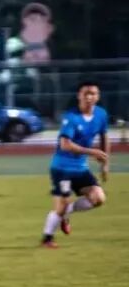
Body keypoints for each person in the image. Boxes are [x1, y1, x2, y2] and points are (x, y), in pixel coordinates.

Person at [41, 81, 110, 248]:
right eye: (86, 93)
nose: (89, 97)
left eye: (93, 93)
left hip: (81, 169)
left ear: (98, 96)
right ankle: (47, 239)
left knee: (98, 198)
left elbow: (104, 137)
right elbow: (65, 145)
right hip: (62, 169)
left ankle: (66, 212)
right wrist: (92, 152)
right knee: (60, 208)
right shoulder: (71, 117)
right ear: (79, 96)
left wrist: (105, 164)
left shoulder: (101, 114)